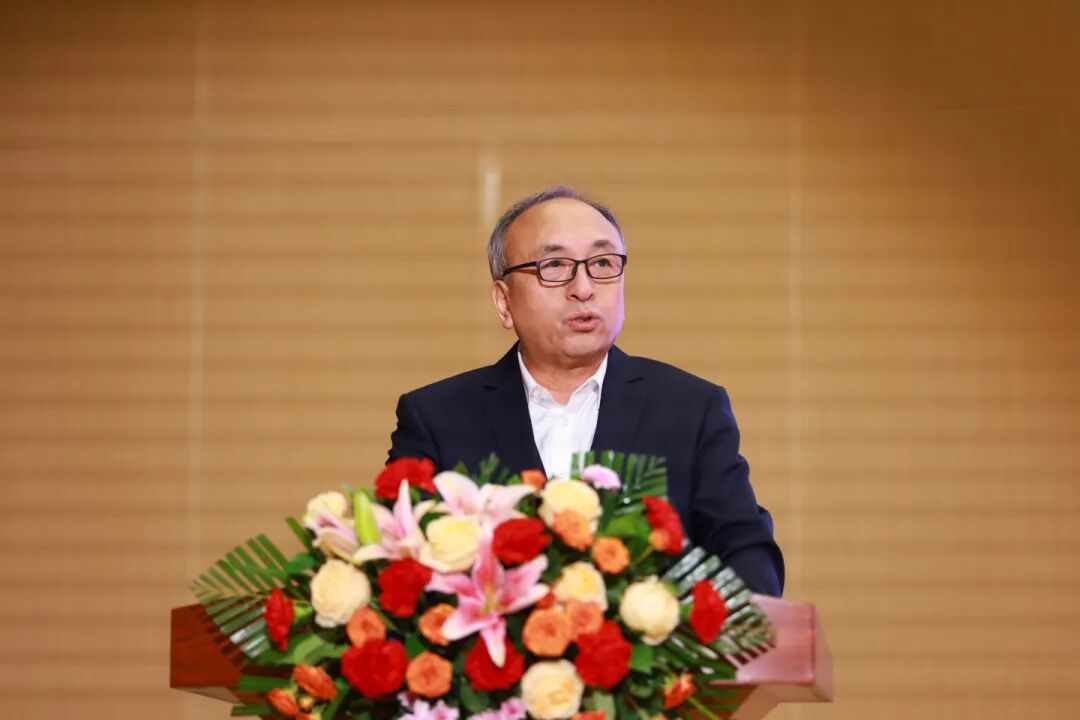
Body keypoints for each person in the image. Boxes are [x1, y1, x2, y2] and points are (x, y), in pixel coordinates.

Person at [387, 186, 784, 596]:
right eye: (555, 265)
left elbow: (746, 553)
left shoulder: (690, 409)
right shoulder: (437, 419)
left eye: (602, 263)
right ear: (504, 302)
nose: (583, 287)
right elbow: (396, 568)